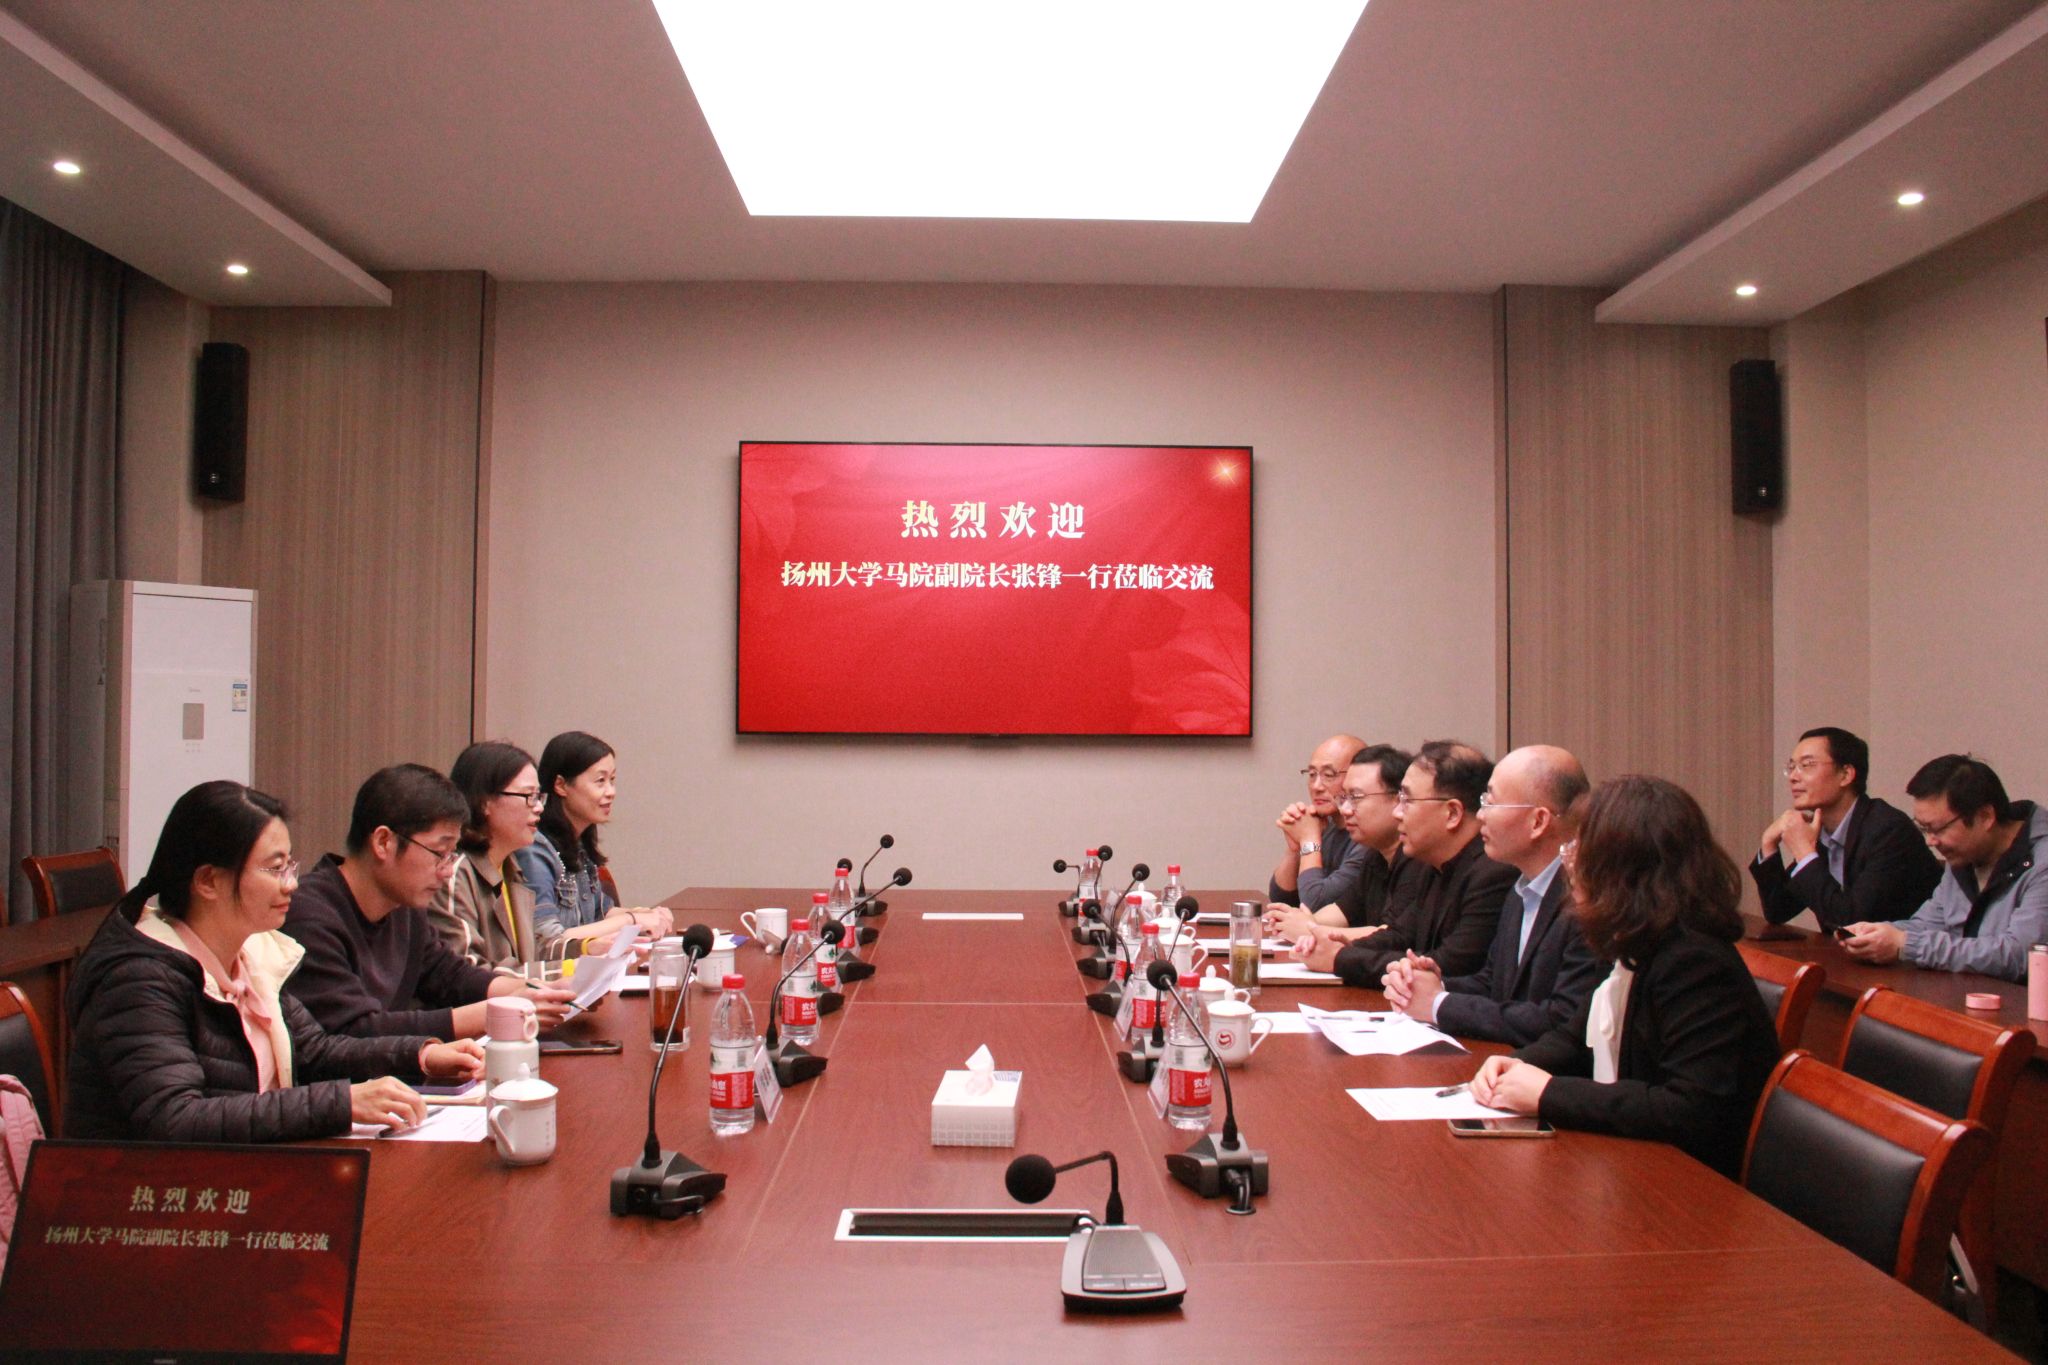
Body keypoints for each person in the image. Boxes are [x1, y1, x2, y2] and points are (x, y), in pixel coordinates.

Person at [64, 780, 484, 1142]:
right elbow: (178, 1118)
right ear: (208, 881)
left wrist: (421, 1055)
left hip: (249, 1173)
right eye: (275, 868)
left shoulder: (251, 954)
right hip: (153, 1197)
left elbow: (315, 1051)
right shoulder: (138, 978)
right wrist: (341, 1102)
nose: (292, 884)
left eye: (290, 865)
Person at [1470, 775, 1781, 1179]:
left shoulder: (1693, 961)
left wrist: (1547, 1093)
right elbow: (1573, 1039)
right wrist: (1516, 1064)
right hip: (1634, 1159)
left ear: (1622, 868)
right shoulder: (1633, 939)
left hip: (1689, 1181)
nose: (1568, 861)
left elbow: (1687, 1107)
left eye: (1578, 847)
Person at [284, 764, 575, 1039]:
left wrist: (537, 991)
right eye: (440, 853)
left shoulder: (404, 906)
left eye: (452, 854)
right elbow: (354, 1029)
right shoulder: (309, 915)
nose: (448, 871)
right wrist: (500, 1012)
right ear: (383, 842)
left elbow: (450, 976)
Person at [1383, 745, 1600, 1046]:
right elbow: (1493, 983)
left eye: (1490, 803)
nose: (1481, 815)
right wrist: (1433, 984)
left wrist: (1438, 1004)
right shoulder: (1521, 889)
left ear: (1538, 821)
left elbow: (1561, 1020)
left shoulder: (1586, 900)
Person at [1293, 742, 1517, 986]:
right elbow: (1400, 935)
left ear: (1452, 813)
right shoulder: (1433, 865)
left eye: (1407, 800)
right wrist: (1339, 946)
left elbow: (1447, 965)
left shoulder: (1493, 873)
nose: (1397, 813)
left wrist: (1341, 958)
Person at [1840, 754, 2048, 981]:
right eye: (1924, 829)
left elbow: (2021, 956)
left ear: (1985, 816)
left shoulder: (2042, 863)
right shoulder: (1964, 856)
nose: (1931, 841)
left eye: (1937, 829)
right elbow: (1930, 924)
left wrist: (1907, 945)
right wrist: (1875, 934)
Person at [1750, 726, 1938, 932]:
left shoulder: (1888, 830)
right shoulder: (1823, 831)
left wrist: (1804, 851)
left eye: (1807, 765)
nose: (1793, 776)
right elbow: (1778, 910)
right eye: (1792, 766)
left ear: (1846, 774)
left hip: (1910, 950)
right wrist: (1768, 843)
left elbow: (1852, 922)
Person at [514, 731, 673, 954]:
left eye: (612, 780)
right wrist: (631, 919)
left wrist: (647, 914)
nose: (611, 792)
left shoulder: (577, 844)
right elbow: (547, 940)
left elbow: (600, 912)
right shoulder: (535, 849)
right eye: (600, 781)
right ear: (561, 785)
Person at [1265, 745, 1418, 937]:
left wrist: (1312, 931)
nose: (1345, 809)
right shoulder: (1375, 856)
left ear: (1399, 800)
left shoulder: (1418, 859)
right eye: (1344, 798)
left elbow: (1395, 936)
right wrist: (1292, 921)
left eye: (1356, 797)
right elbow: (1339, 912)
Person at [428, 741, 542, 970]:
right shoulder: (454, 872)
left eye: (539, 796)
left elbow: (535, 952)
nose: (539, 807)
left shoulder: (511, 867)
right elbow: (467, 971)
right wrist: (562, 973)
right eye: (528, 796)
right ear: (484, 803)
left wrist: (587, 951)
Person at [1265, 733, 1368, 917]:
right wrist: (1295, 847)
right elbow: (1282, 899)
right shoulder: (1323, 824)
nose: (1316, 786)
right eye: (1312, 775)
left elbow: (1316, 904)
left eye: (1329, 775)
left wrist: (1308, 840)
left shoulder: (1368, 836)